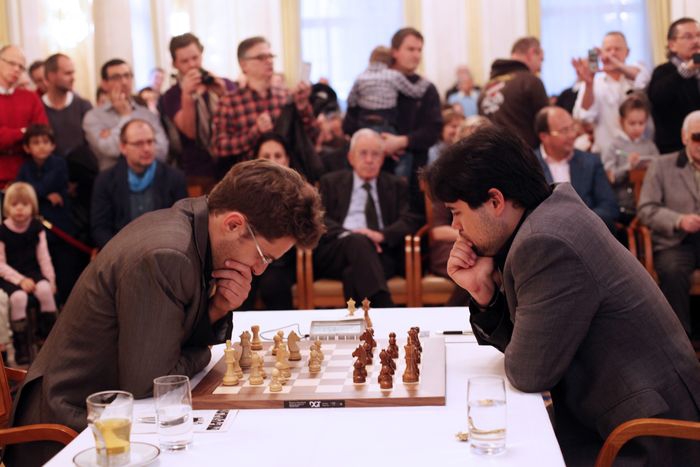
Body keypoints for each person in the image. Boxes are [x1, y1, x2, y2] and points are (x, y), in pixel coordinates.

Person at [6, 158, 326, 466]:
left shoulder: (192, 224)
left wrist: (217, 308)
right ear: (233, 224)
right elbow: (152, 383)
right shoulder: (168, 255)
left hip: (111, 410)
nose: (259, 270)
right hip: (71, 429)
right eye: (263, 256)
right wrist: (204, 352)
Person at [423, 125, 700, 466]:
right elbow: (532, 352)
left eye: (456, 212)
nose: (456, 227)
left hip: (645, 438)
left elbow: (529, 373)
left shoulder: (546, 242)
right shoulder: (550, 213)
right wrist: (483, 293)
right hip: (622, 417)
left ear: (495, 201)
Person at [313, 128, 421, 307]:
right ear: (351, 158)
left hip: (380, 252)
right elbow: (319, 217)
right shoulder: (330, 182)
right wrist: (353, 235)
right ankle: (385, 306)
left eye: (375, 154)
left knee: (352, 274)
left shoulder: (396, 185)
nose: (369, 160)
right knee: (357, 241)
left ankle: (359, 322)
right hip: (337, 250)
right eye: (363, 153)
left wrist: (381, 235)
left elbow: (410, 219)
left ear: (382, 158)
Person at [210, 36, 315, 174]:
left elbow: (311, 137)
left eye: (270, 56)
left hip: (288, 176)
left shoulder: (285, 96)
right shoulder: (229, 102)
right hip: (249, 178)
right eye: (261, 57)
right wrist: (255, 132)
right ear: (243, 65)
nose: (269, 61)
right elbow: (219, 147)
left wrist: (303, 107)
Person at [637, 110, 700, 336]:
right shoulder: (662, 166)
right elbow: (646, 210)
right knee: (673, 271)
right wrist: (678, 220)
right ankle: (680, 341)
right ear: (684, 137)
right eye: (697, 137)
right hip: (675, 242)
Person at [160, 33, 238, 194]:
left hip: (230, 167)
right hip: (197, 173)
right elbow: (189, 131)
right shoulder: (171, 95)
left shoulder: (225, 83)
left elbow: (239, 119)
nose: (192, 65)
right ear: (175, 64)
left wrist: (223, 93)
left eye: (195, 58)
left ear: (202, 54)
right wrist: (187, 95)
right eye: (185, 61)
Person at [90, 119, 187, 248]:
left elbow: (181, 224)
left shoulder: (174, 178)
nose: (147, 149)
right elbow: (100, 228)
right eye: (138, 144)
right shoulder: (105, 180)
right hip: (121, 252)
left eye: (150, 142)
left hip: (164, 250)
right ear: (123, 147)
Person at [345, 45, 431, 179]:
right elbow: (415, 92)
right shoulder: (393, 75)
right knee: (402, 155)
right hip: (385, 124)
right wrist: (425, 81)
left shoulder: (360, 77)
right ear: (390, 61)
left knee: (364, 155)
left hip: (364, 125)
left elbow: (351, 101)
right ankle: (400, 182)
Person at [17, 124, 80, 305]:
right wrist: (45, 197)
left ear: (53, 145)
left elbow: (45, 185)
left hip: (60, 228)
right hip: (37, 230)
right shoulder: (25, 168)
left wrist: (37, 195)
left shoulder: (59, 163)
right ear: (27, 148)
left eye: (45, 142)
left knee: (65, 270)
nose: (41, 146)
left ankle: (66, 303)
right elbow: (24, 192)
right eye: (36, 143)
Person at [534, 106, 619, 229]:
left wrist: (580, 222)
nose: (572, 135)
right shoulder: (530, 166)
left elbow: (609, 206)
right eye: (564, 130)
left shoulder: (591, 162)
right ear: (544, 137)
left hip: (587, 232)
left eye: (572, 128)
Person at [0, 182, 57, 366]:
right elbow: (1, 264)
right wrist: (20, 280)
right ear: (7, 207)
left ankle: (47, 339)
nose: (19, 209)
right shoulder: (2, 231)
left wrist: (51, 280)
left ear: (32, 206)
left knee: (45, 290)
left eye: (24, 204)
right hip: (10, 277)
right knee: (19, 298)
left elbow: (44, 258)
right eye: (14, 204)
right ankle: (21, 346)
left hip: (33, 272)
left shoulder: (36, 227)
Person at [82, 58, 169, 171]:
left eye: (127, 76)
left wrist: (112, 134)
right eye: (116, 77)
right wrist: (125, 116)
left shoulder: (146, 114)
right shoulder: (93, 117)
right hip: (112, 178)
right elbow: (110, 149)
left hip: (150, 175)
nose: (124, 82)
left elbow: (162, 151)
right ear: (104, 84)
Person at [572, 31, 651, 154]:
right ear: (600, 54)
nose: (612, 53)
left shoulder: (637, 73)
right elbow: (585, 117)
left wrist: (617, 64)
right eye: (608, 50)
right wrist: (589, 84)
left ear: (627, 52)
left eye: (617, 49)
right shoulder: (594, 83)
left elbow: (643, 78)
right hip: (605, 154)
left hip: (639, 153)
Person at [479, 36, 548, 148]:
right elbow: (546, 124)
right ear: (531, 53)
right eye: (541, 59)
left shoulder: (485, 88)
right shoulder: (530, 81)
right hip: (525, 153)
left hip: (492, 153)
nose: (540, 67)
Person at [601, 93, 659, 223]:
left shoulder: (650, 146)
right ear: (621, 121)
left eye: (641, 123)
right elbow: (609, 177)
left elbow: (660, 171)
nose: (637, 128)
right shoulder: (614, 146)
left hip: (649, 202)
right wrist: (629, 167)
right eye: (632, 123)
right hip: (623, 205)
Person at [648, 17, 700, 154]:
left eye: (698, 35)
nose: (696, 41)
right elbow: (658, 97)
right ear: (672, 45)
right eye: (688, 37)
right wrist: (687, 70)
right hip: (675, 151)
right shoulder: (663, 72)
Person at [0, 45, 49, 187]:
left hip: (27, 175)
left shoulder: (30, 98)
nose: (16, 69)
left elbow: (41, 134)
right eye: (12, 63)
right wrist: (23, 132)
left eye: (21, 67)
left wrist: (9, 135)